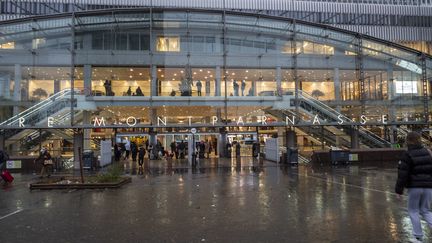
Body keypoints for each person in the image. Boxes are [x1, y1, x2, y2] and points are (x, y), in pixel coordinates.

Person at [395, 131, 432, 243]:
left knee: (413, 210)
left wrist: (399, 190)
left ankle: (418, 237)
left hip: (415, 187)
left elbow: (403, 174)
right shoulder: (428, 152)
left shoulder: (407, 154)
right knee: (425, 210)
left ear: (408, 140)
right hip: (429, 186)